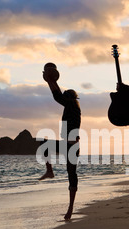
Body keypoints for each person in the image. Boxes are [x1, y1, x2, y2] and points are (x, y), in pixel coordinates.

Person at [40, 64, 81, 220]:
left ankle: (50, 171)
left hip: (70, 147)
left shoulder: (72, 104)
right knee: (72, 176)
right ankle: (70, 209)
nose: (64, 97)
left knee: (42, 143)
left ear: (71, 98)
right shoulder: (72, 106)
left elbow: (58, 97)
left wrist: (49, 81)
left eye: (66, 95)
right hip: (71, 146)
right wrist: (52, 82)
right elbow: (59, 95)